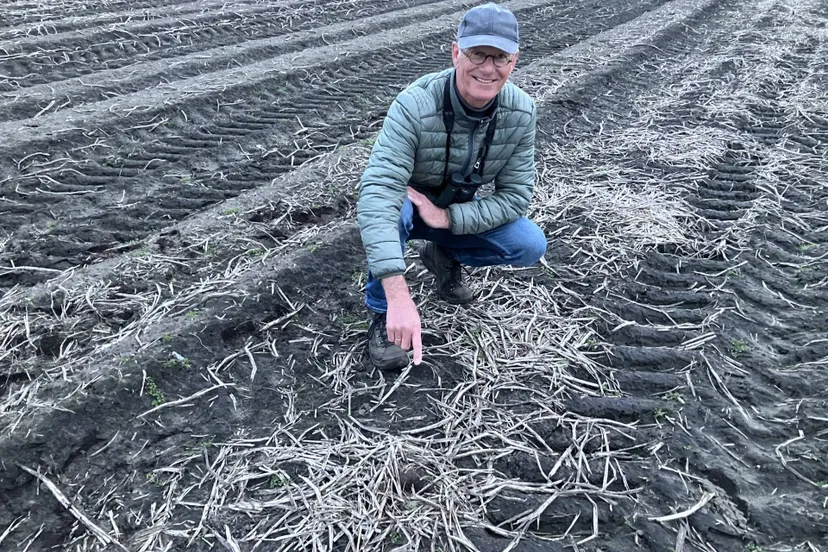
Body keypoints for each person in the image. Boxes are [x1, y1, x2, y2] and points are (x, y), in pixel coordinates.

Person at [357, 3, 547, 370]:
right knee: (392, 209)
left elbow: (516, 196)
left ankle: (443, 254)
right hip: (407, 209)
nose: (488, 68)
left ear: (514, 60)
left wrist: (447, 218)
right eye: (478, 53)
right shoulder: (415, 104)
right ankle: (381, 315)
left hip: (450, 213)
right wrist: (398, 296)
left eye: (500, 57)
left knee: (528, 244)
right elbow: (379, 191)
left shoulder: (521, 113)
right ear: (457, 51)